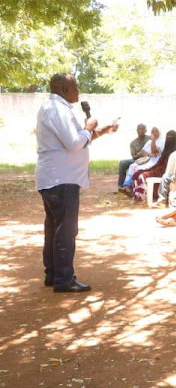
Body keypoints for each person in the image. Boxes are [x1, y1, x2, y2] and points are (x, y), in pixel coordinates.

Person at [36, 73, 118, 292]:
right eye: (75, 86)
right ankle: (64, 279)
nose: (79, 89)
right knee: (65, 231)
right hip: (61, 179)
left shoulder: (54, 109)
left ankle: (53, 275)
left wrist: (102, 130)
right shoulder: (58, 110)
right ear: (64, 89)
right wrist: (89, 127)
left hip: (57, 178)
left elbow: (78, 141)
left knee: (55, 229)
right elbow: (74, 143)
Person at [131, 130, 176, 203]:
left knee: (142, 175)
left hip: (164, 172)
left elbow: (169, 167)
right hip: (158, 169)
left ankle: (141, 197)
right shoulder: (166, 150)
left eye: (171, 137)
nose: (169, 139)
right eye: (167, 137)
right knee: (137, 173)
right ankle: (138, 196)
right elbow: (159, 162)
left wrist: (155, 169)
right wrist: (151, 169)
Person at [118, 123, 148, 191]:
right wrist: (140, 154)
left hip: (148, 159)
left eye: (142, 129)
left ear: (145, 130)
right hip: (137, 159)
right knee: (122, 163)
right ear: (136, 130)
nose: (140, 130)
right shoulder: (133, 143)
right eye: (139, 129)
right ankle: (121, 186)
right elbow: (133, 157)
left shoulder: (149, 139)